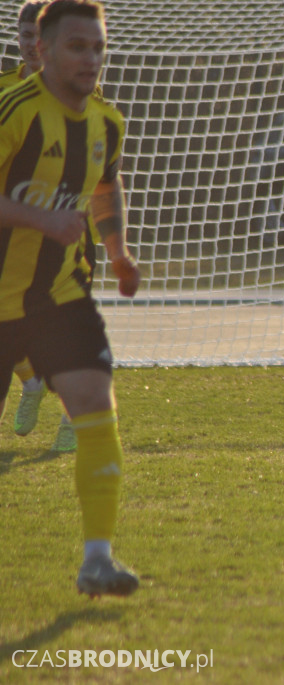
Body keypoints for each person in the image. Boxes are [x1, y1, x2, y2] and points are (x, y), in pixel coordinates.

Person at [0, 0, 142, 597]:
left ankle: (97, 560)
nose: (90, 59)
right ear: (44, 50)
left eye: (98, 47)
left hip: (61, 294)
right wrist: (38, 217)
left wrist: (116, 251)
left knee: (95, 408)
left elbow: (105, 187)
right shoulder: (14, 109)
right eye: (77, 47)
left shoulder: (107, 123)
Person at [0, 0, 78, 453]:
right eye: (23, 37)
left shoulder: (75, 94)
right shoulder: (5, 90)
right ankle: (30, 384)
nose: (30, 45)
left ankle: (70, 421)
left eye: (38, 37)